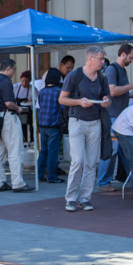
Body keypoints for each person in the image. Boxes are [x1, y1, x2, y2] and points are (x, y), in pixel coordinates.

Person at [58, 46, 110, 212]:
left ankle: (85, 198)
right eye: (100, 59)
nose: (103, 62)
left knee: (91, 163)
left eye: (103, 59)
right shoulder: (75, 75)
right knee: (78, 161)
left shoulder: (102, 77)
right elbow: (62, 99)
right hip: (77, 121)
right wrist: (79, 102)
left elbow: (107, 100)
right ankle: (71, 198)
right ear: (90, 58)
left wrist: (105, 101)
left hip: (95, 123)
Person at [97, 44, 133, 192]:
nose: (131, 60)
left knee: (125, 147)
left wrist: (130, 94)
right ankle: (103, 181)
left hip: (120, 115)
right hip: (112, 115)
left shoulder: (120, 70)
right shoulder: (112, 69)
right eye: (130, 57)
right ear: (123, 54)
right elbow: (112, 90)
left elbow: (117, 91)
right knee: (112, 149)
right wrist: (131, 86)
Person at [0, 59, 33, 193]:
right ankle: (17, 183)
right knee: (15, 151)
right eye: (14, 69)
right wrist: (18, 108)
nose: (14, 72)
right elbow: (8, 103)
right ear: (8, 68)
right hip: (8, 117)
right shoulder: (6, 82)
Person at [36, 68, 64, 184]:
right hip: (54, 125)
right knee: (53, 152)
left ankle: (39, 174)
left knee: (43, 150)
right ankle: (52, 176)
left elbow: (39, 108)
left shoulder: (42, 91)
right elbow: (62, 108)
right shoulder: (59, 91)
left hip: (42, 125)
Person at [13, 70, 33, 143]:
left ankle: (31, 141)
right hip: (17, 111)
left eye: (26, 81)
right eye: (23, 81)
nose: (24, 83)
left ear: (30, 81)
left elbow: (36, 101)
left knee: (29, 126)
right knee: (20, 127)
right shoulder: (15, 87)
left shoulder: (32, 89)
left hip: (28, 112)